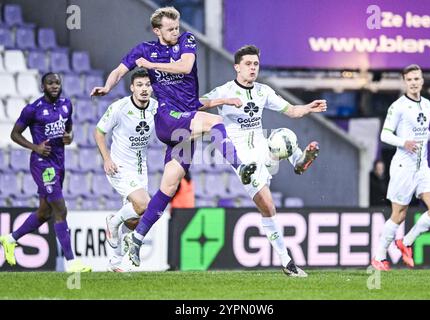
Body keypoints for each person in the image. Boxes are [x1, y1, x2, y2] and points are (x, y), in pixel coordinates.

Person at [90, 7, 257, 267]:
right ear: (157, 31)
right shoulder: (144, 49)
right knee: (216, 122)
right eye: (170, 29)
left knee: (168, 187)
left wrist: (151, 66)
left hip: (187, 124)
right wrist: (107, 87)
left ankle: (136, 237)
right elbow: (120, 70)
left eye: (176, 27)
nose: (175, 32)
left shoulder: (186, 41)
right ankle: (241, 166)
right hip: (168, 120)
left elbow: (185, 66)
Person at [200, 45, 327, 277]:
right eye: (248, 64)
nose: (252, 68)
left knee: (283, 135)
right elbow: (197, 103)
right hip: (241, 156)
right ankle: (287, 262)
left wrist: (308, 108)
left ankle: (300, 161)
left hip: (262, 149)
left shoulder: (263, 91)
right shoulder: (225, 90)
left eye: (256, 64)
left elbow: (290, 110)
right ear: (237, 67)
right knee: (269, 207)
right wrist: (224, 101)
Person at [0, 73, 91, 272]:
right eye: (50, 83)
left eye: (57, 82)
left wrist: (69, 137)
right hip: (42, 163)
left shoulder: (67, 104)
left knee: (44, 213)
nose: (55, 86)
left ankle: (10, 239)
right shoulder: (33, 109)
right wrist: (35, 147)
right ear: (43, 87)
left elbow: (69, 129)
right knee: (60, 209)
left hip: (59, 162)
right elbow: (14, 134)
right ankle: (72, 263)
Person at [372, 64, 430, 271]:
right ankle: (379, 256)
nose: (414, 82)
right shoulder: (398, 106)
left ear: (422, 81)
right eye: (410, 79)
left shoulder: (427, 104)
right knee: (399, 214)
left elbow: (421, 128)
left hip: (422, 167)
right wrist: (404, 143)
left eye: (417, 79)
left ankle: (406, 241)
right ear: (405, 82)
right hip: (403, 166)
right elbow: (385, 135)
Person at [94, 69, 158, 272]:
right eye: (139, 85)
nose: (144, 89)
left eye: (147, 85)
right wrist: (106, 159)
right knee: (145, 203)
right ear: (132, 88)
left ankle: (114, 263)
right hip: (119, 167)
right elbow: (99, 132)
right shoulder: (120, 107)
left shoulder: (155, 107)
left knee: (133, 222)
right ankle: (113, 223)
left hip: (141, 169)